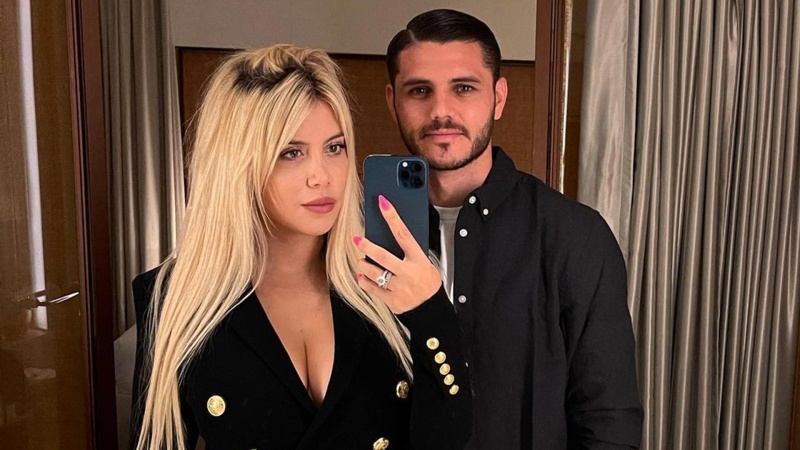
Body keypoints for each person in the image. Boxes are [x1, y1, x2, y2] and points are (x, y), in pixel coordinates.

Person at [129, 44, 471, 450]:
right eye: (291, 153)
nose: (321, 176)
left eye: (334, 147)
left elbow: (446, 440)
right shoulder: (175, 296)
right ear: (237, 165)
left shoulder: (390, 279)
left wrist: (431, 310)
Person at [380, 9, 644, 449]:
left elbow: (609, 422)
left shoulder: (574, 236)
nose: (440, 111)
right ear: (393, 102)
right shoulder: (359, 235)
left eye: (464, 88)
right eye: (419, 90)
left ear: (498, 98)